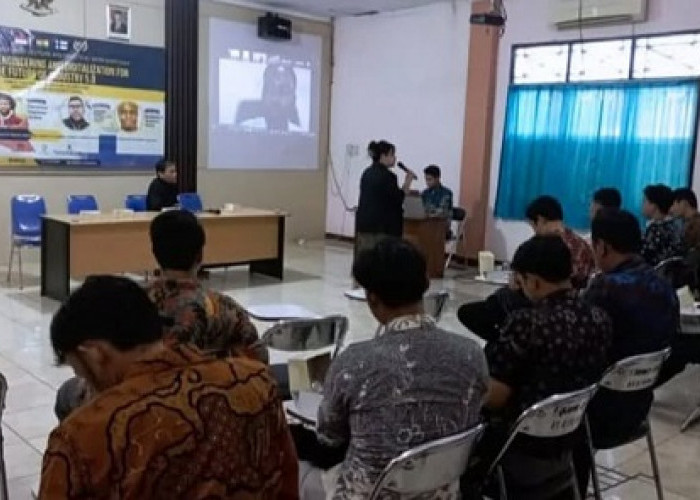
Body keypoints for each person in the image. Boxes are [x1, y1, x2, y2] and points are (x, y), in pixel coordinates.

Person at [39, 276, 298, 499]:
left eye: (79, 370)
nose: (85, 382)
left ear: (95, 354)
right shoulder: (255, 382)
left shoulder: (82, 437)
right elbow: (287, 484)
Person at [298, 238, 488, 499]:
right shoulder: (472, 353)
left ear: (371, 298)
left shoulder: (355, 362)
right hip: (440, 492)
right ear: (426, 284)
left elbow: (329, 435)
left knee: (295, 471)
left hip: (370, 493)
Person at [53, 210, 265, 422]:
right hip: (207, 403)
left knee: (66, 393)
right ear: (200, 255)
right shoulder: (225, 308)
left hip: (131, 401)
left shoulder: (128, 300)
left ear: (154, 252)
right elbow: (258, 357)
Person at [480, 235, 612, 494]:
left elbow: (494, 397)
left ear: (534, 281)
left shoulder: (526, 323)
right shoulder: (599, 317)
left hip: (520, 450)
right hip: (571, 441)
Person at [574, 208, 679, 493]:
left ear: (602, 246)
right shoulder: (663, 284)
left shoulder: (606, 288)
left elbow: (577, 344)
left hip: (594, 415)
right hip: (638, 406)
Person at [457, 195, 594, 342]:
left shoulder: (546, 247)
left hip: (538, 303)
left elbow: (531, 284)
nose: (534, 231)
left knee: (475, 311)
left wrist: (519, 281)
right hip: (571, 303)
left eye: (533, 226)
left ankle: (504, 343)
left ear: (540, 220)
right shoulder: (582, 245)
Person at [354, 140, 416, 260]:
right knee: (381, 261)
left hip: (365, 224)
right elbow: (398, 199)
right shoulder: (388, 177)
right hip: (383, 227)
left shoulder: (367, 173)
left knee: (365, 260)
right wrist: (408, 181)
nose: (394, 158)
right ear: (383, 156)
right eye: (392, 155)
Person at [235, 62, 301, 132]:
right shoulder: (244, 130)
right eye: (271, 90)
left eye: (283, 91)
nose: (275, 99)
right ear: (263, 95)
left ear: (293, 99)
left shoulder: (301, 135)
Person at [640, 184, 682, 266]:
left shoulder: (654, 230)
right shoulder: (675, 226)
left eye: (645, 201)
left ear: (654, 206)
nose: (643, 205)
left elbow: (645, 258)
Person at [671, 188, 700, 253]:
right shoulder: (684, 223)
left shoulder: (696, 224)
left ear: (684, 203)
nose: (671, 209)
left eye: (673, 204)